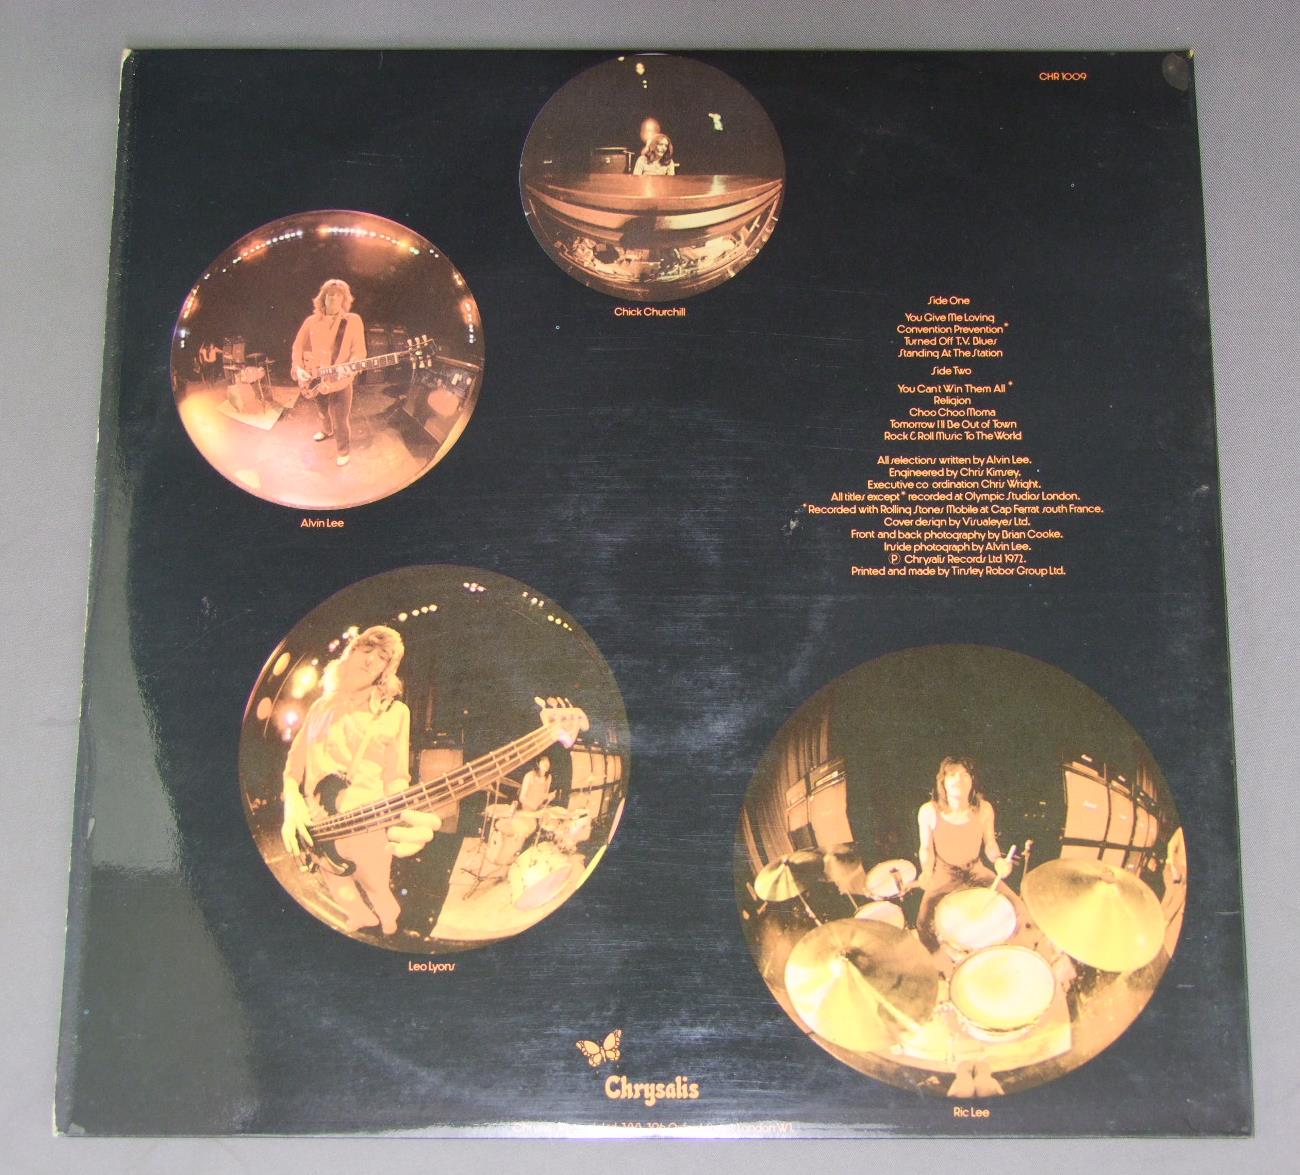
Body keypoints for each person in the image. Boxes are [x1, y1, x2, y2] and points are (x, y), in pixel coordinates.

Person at [280, 625, 438, 936]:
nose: (370, 660)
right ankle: (361, 917)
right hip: (317, 821)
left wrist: (399, 816)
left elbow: (396, 776)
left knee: (376, 886)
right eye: (366, 650)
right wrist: (292, 805)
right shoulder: (320, 707)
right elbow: (293, 767)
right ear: (350, 652)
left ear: (385, 670)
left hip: (367, 821)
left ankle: (389, 922)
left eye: (382, 658)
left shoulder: (396, 712)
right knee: (336, 882)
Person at [914, 756, 1017, 954]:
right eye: (952, 775)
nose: (958, 780)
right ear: (943, 781)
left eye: (964, 775)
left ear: (972, 780)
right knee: (924, 923)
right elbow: (925, 848)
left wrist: (998, 861)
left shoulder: (984, 809)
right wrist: (926, 871)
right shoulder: (928, 811)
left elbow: (990, 843)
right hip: (944, 873)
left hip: (976, 870)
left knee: (1015, 909)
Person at [290, 278, 366, 467]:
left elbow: (359, 351)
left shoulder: (352, 320)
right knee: (323, 412)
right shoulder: (311, 321)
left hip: (340, 380)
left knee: (340, 419)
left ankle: (343, 451)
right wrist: (298, 368)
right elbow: (297, 347)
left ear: (344, 299)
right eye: (330, 295)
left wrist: (354, 363)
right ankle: (326, 430)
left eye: (338, 295)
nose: (334, 298)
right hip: (315, 377)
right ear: (322, 298)